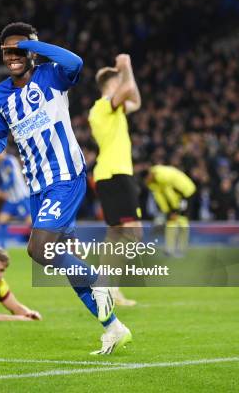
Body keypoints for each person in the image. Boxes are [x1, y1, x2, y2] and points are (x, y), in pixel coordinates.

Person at [0, 22, 131, 355]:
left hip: (65, 176)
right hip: (37, 187)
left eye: (19, 49)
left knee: (39, 249)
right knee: (64, 257)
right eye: (7, 51)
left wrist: (35, 45)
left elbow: (76, 62)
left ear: (32, 51)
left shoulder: (51, 75)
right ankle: (114, 328)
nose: (12, 56)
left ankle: (100, 282)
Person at [87, 54, 143, 306]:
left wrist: (125, 72)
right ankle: (107, 286)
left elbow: (136, 101)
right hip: (114, 174)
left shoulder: (113, 107)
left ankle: (106, 287)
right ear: (114, 82)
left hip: (114, 174)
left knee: (116, 234)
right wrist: (127, 67)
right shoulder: (102, 106)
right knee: (133, 234)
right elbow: (129, 88)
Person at [145, 165, 197, 257]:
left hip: (186, 194)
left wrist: (174, 210)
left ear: (150, 174)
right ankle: (170, 249)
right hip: (177, 198)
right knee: (171, 222)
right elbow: (161, 196)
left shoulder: (163, 177)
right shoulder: (155, 182)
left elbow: (172, 192)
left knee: (182, 221)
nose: (146, 181)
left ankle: (181, 249)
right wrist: (167, 211)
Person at [0, 151, 31, 224]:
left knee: (30, 221)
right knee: (1, 221)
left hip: (21, 197)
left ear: (4, 151)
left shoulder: (8, 160)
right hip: (11, 199)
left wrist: (0, 190)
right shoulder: (1, 164)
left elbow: (11, 180)